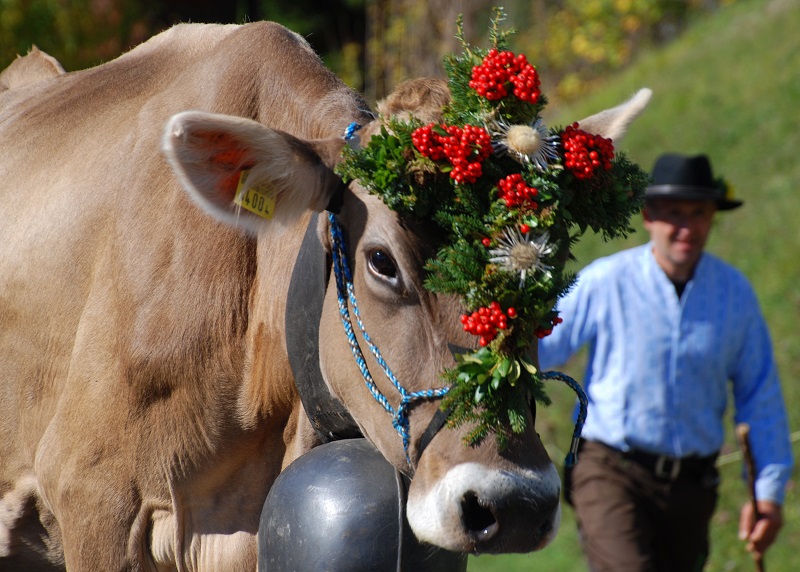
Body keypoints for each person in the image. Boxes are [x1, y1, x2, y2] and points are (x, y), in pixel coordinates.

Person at [538, 153, 794, 571]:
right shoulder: (607, 282)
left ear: (712, 217)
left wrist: (767, 493)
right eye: (674, 213)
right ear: (649, 215)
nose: (686, 228)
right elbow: (541, 347)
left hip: (692, 488)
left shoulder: (734, 295)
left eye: (698, 213)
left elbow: (760, 394)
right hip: (611, 470)